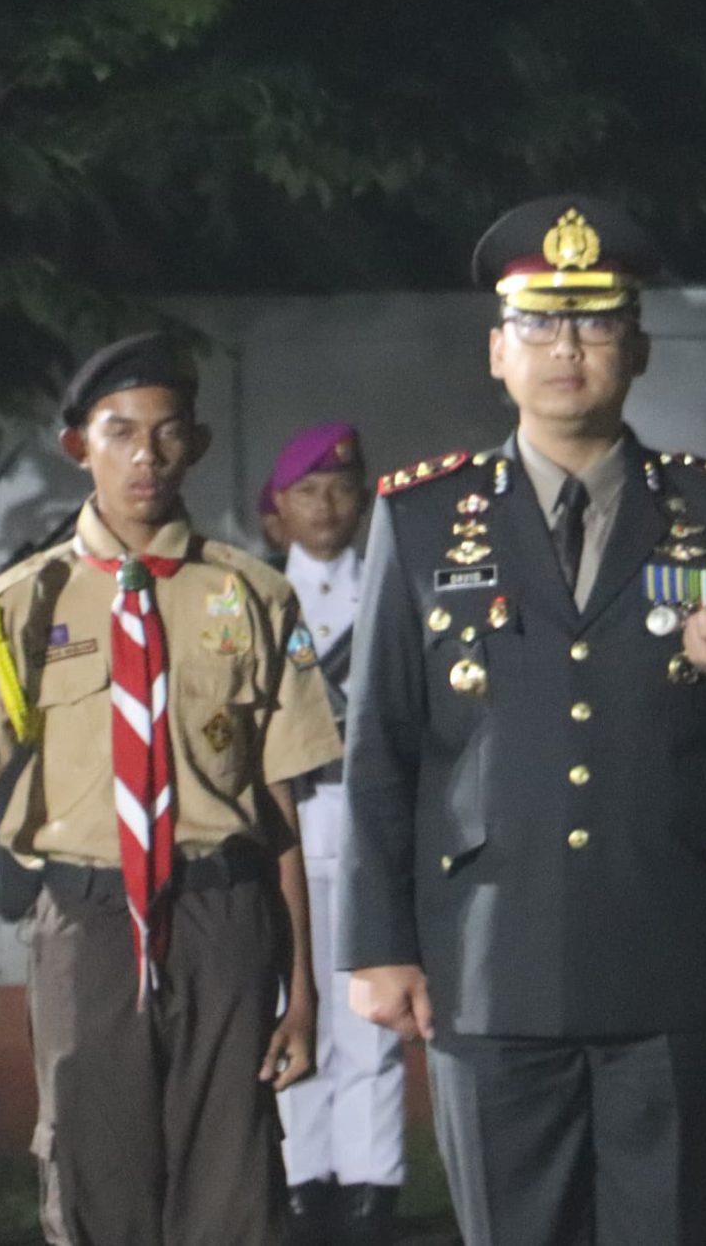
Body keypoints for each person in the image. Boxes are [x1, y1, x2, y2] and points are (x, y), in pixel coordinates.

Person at [338, 194, 706, 1246]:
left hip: (669, 953)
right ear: (497, 352)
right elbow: (382, 749)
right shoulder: (424, 517)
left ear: (639, 348)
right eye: (539, 322)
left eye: (594, 322)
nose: (565, 347)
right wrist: (377, 947)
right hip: (489, 962)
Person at [0, 333, 342, 1246]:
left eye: (168, 432)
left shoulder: (254, 596)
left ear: (198, 444)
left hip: (225, 918)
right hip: (87, 921)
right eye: (121, 431)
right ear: (79, 447)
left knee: (235, 1186)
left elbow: (280, 803)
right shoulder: (21, 603)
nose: (147, 455)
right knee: (96, 1183)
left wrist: (302, 988)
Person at [263, 424, 408, 1246]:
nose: (327, 503)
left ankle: (370, 1189)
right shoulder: (251, 593)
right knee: (292, 1016)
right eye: (309, 489)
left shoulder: (390, 588)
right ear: (277, 510)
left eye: (342, 488)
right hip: (286, 832)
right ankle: (300, 1180)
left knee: (373, 1026)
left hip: (366, 831)